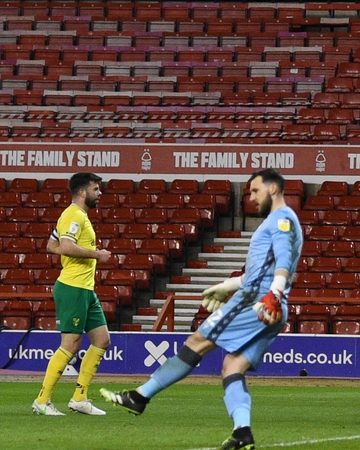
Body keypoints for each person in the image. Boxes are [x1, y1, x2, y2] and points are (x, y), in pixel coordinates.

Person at [100, 169, 302, 450]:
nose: (251, 198)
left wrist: (273, 294)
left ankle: (140, 396)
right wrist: (227, 284)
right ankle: (242, 432)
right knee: (232, 366)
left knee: (197, 342)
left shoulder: (280, 221)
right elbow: (263, 270)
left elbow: (282, 261)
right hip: (269, 307)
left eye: (255, 191)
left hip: (254, 303)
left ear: (274, 190)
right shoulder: (284, 221)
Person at [32, 172, 112, 416]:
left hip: (86, 289)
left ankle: (79, 398)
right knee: (70, 344)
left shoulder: (76, 216)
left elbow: (52, 245)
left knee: (102, 340)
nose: (99, 194)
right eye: (95, 189)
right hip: (73, 287)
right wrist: (96, 254)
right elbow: (65, 246)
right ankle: (42, 401)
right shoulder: (74, 214)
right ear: (82, 192)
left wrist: (75, 254)